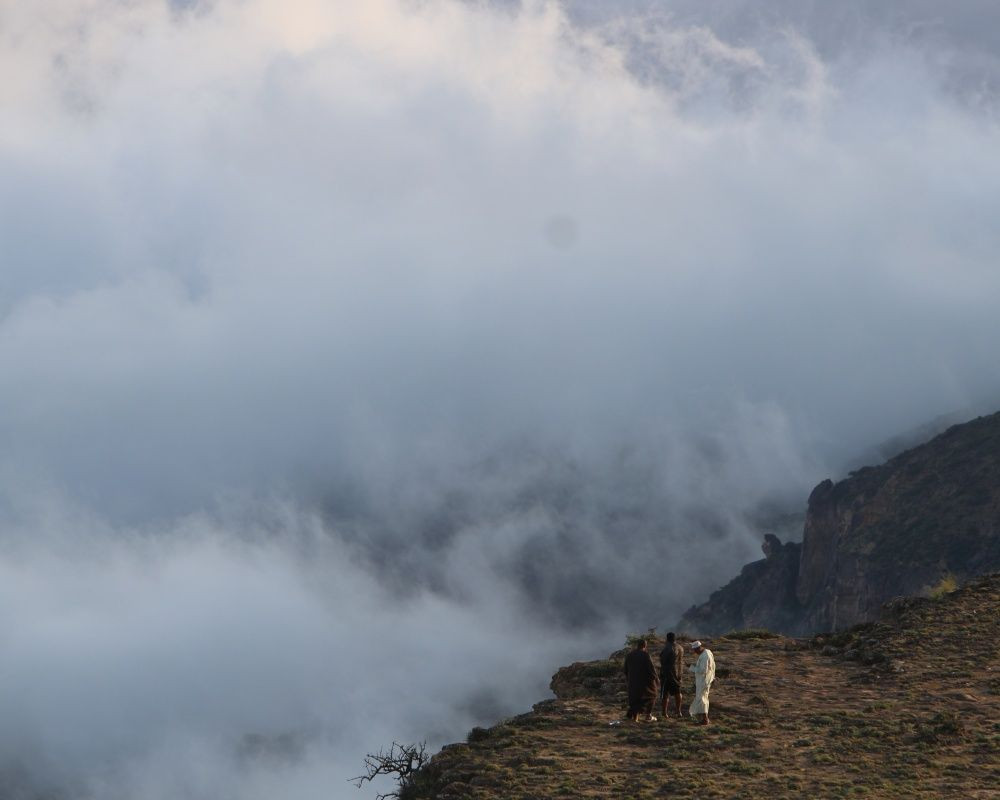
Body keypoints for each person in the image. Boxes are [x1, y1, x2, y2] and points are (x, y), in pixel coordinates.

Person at [623, 639, 659, 722]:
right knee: (652, 695)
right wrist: (656, 679)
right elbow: (651, 669)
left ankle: (635, 718)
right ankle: (648, 715)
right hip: (644, 683)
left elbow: (625, 670)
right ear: (645, 646)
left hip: (633, 683)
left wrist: (629, 679)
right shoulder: (645, 655)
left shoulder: (630, 655)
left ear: (637, 645)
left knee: (635, 699)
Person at [688, 640, 715, 725]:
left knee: (702, 699)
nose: (694, 652)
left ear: (697, 649)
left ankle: (705, 719)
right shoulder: (708, 652)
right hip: (706, 679)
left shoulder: (704, 656)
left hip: (703, 681)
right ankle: (704, 718)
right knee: (703, 698)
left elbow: (703, 670)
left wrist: (691, 667)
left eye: (694, 650)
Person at [659, 632, 684, 718]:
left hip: (667, 673)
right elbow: (680, 662)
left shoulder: (667, 648)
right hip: (677, 674)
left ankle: (664, 713)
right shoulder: (680, 648)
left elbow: (663, 661)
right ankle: (678, 711)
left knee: (665, 694)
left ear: (667, 639)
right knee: (678, 692)